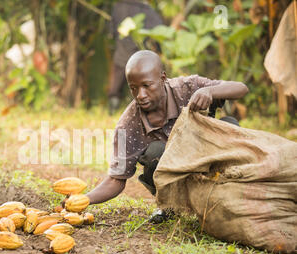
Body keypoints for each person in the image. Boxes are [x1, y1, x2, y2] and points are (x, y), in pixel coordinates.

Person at [82, 50, 249, 223]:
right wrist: (84, 199)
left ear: (163, 79)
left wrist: (209, 91)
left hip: (209, 163)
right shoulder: (127, 126)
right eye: (134, 88)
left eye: (147, 86)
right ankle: (169, 207)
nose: (140, 95)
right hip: (175, 181)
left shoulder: (188, 88)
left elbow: (241, 88)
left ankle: (232, 195)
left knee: (229, 124)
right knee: (155, 151)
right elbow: (116, 180)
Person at [108, 0, 163, 115]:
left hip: (121, 52)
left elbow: (112, 31)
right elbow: (158, 30)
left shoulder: (118, 6)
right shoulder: (145, 9)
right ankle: (132, 113)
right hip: (139, 58)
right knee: (139, 87)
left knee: (116, 87)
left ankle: (112, 112)